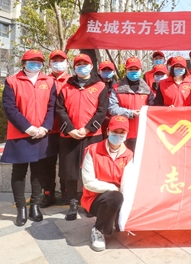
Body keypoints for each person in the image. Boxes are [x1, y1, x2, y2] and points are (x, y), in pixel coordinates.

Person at [1, 49, 56, 226]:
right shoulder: (12, 81)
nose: (35, 65)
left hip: (41, 133)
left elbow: (52, 107)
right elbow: (10, 108)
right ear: (23, 63)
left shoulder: (49, 81)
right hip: (20, 134)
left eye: (39, 62)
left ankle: (35, 205)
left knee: (38, 172)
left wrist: (45, 127)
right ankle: (20, 208)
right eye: (32, 61)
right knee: (19, 172)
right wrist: (28, 128)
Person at [56, 53, 109, 221]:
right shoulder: (66, 86)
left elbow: (102, 111)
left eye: (85, 64)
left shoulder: (100, 86)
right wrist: (70, 129)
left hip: (92, 135)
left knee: (92, 171)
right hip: (69, 136)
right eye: (78, 65)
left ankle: (90, 203)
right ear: (74, 68)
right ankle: (72, 203)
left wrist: (87, 129)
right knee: (70, 171)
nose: (82, 67)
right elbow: (60, 110)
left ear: (91, 66)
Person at [81, 115, 134, 252]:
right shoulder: (92, 150)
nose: (118, 135)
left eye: (122, 132)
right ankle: (98, 230)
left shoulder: (129, 155)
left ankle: (116, 217)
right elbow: (88, 182)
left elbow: (127, 185)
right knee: (115, 197)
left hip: (119, 196)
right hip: (94, 198)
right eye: (115, 131)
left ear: (127, 134)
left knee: (120, 197)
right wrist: (113, 188)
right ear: (108, 131)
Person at [40, 49, 71, 208]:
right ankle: (48, 192)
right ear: (49, 63)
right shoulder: (43, 81)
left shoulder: (73, 81)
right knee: (47, 164)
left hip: (68, 130)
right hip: (48, 130)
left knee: (66, 163)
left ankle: (66, 191)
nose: (58, 64)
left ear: (67, 63)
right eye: (55, 61)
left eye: (61, 61)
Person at [108, 57, 153, 152]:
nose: (133, 71)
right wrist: (130, 113)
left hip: (142, 134)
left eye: (136, 69)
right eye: (131, 69)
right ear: (126, 70)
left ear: (141, 70)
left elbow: (153, 109)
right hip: (122, 134)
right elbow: (112, 108)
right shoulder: (117, 89)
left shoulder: (148, 90)